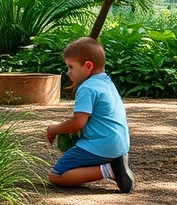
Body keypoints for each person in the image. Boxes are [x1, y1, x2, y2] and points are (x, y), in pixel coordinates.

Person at [45, 36, 134, 193]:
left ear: (88, 66)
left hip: (102, 146)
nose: (68, 72)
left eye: (71, 67)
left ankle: (111, 169)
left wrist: (54, 129)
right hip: (119, 145)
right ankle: (114, 164)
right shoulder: (107, 82)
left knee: (56, 175)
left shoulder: (87, 88)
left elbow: (77, 123)